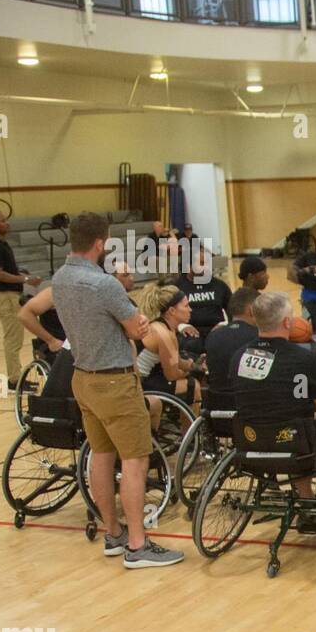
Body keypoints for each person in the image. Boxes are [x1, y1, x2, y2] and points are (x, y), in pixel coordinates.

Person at [50, 212, 183, 568]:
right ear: (100, 243)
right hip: (115, 380)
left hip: (82, 378)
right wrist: (132, 324)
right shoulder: (105, 284)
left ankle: (114, 533)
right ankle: (138, 545)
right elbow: (138, 330)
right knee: (136, 460)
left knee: (101, 457)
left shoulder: (60, 278)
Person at [229, 292, 316, 533]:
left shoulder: (239, 356)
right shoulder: (304, 359)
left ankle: (307, 501)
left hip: (249, 442)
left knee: (295, 429)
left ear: (256, 320)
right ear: (287, 322)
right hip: (295, 444)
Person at [0, 210, 42, 390]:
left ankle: (16, 377)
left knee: (15, 338)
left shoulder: (2, 244)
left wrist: (22, 275)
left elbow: (6, 270)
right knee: (12, 339)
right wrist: (24, 279)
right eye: (2, 221)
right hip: (5, 298)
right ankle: (14, 380)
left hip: (11, 296)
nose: (7, 223)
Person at [135, 285, 198, 406]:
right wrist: (188, 372)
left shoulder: (167, 328)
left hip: (147, 376)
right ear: (172, 311)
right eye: (186, 306)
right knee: (192, 385)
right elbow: (172, 375)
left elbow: (176, 361)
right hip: (139, 383)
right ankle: (190, 425)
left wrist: (193, 365)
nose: (190, 309)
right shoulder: (163, 333)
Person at [204, 287, 260, 394]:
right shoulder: (259, 336)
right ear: (252, 310)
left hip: (218, 402)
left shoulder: (212, 336)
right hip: (248, 403)